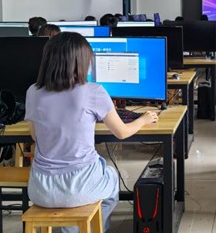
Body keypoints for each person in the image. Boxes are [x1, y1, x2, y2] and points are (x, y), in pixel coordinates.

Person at [25, 33, 158, 233]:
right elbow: (122, 132)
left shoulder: (33, 92)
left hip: (40, 189)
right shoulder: (93, 91)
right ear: (80, 62)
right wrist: (144, 119)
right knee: (111, 176)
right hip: (79, 186)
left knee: (95, 177)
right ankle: (87, 228)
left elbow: (35, 136)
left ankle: (73, 227)